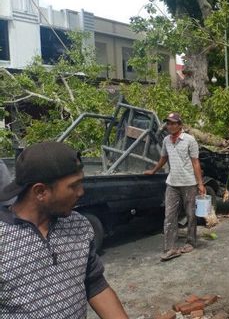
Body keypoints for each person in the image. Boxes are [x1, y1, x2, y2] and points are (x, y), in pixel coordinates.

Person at [0, 142, 127, 318]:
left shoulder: (78, 225)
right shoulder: (3, 237)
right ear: (40, 191)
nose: (81, 192)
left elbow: (95, 284)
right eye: (73, 186)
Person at [144, 112, 206, 262]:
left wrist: (200, 183)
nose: (170, 126)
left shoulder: (190, 140)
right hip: (172, 183)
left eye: (173, 123)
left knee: (191, 214)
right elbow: (164, 158)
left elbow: (195, 162)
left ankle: (191, 241)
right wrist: (154, 170)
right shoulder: (166, 140)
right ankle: (170, 248)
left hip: (188, 183)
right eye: (168, 123)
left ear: (180, 125)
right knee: (169, 216)